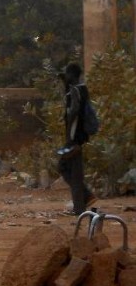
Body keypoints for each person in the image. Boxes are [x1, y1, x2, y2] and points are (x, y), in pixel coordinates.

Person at [57, 63, 97, 215]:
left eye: (67, 74)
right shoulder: (80, 89)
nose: (65, 77)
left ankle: (81, 205)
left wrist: (68, 135)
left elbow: (73, 109)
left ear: (72, 74)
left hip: (74, 139)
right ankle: (84, 200)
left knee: (68, 170)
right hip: (77, 138)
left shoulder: (76, 89)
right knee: (69, 170)